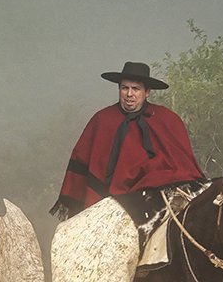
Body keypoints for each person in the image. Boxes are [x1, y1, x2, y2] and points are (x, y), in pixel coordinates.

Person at [49, 62, 204, 221]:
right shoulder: (102, 120)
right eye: (125, 88)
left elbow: (183, 164)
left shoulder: (167, 120)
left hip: (158, 200)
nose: (129, 94)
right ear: (119, 89)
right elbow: (81, 158)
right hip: (108, 201)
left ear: (147, 92)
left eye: (136, 89)